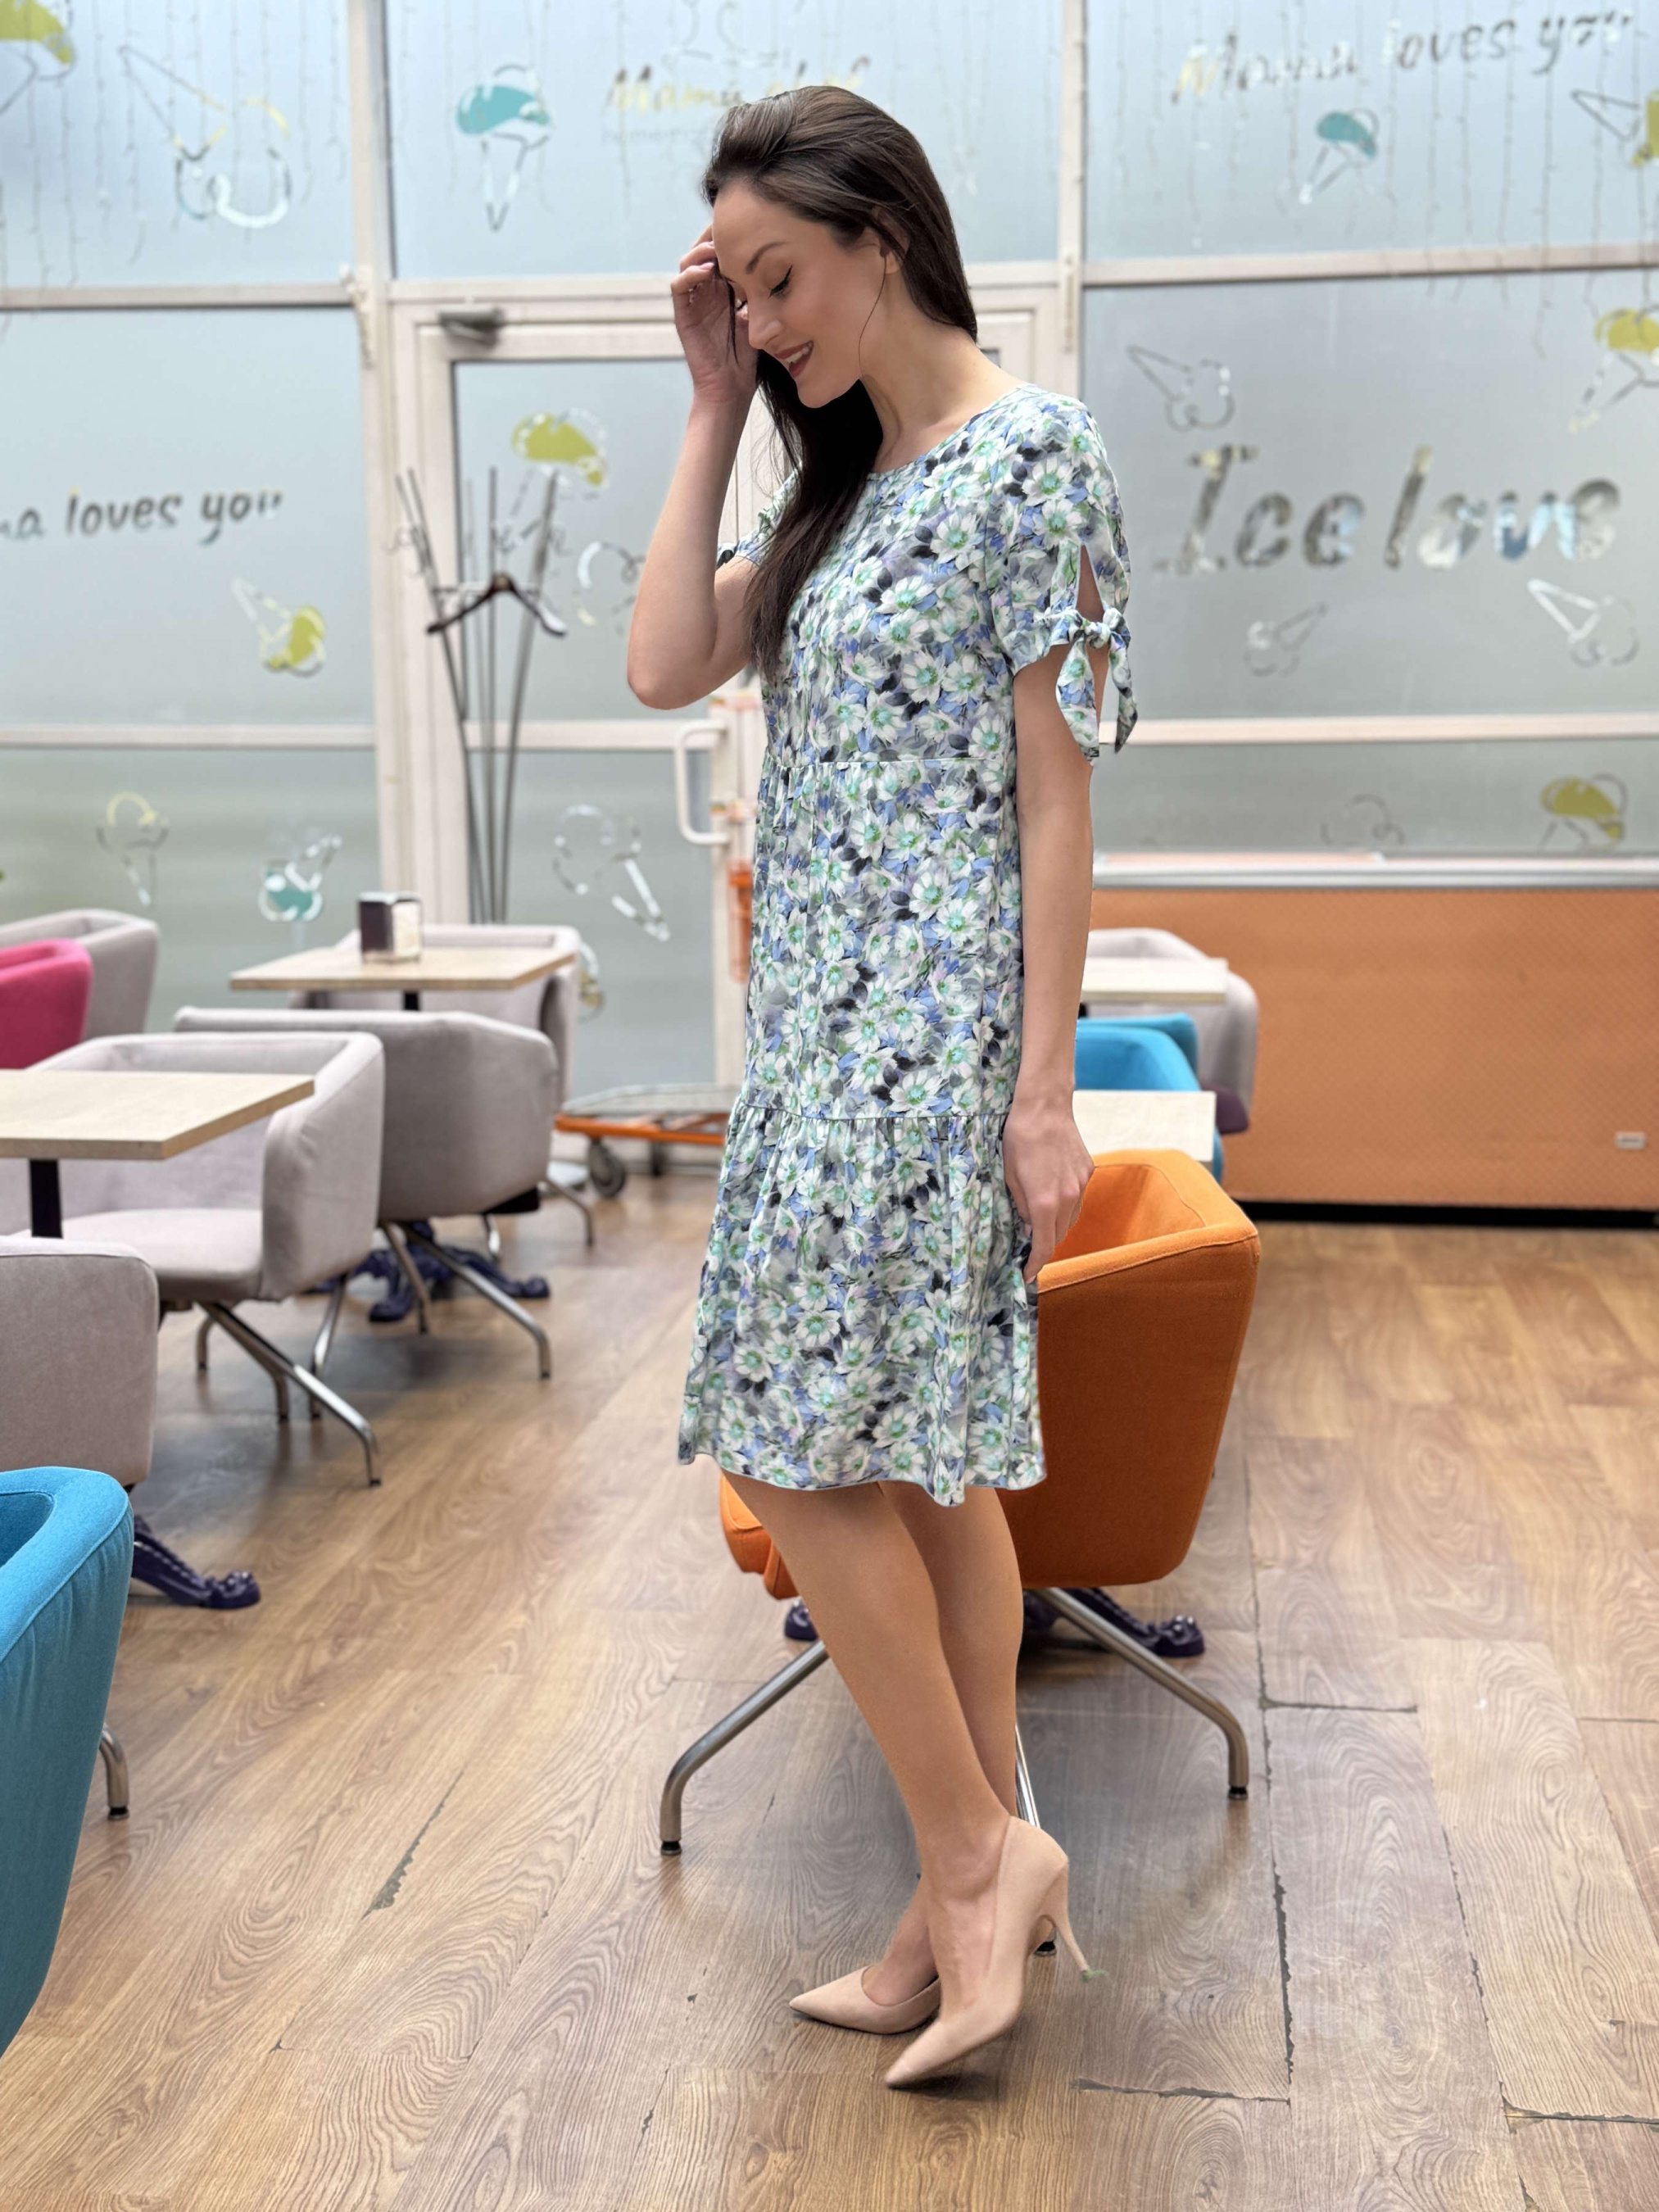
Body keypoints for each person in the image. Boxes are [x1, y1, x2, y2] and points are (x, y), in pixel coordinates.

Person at [627, 84, 1135, 2088]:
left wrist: (1040, 1088)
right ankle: (956, 1904)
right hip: (813, 1043)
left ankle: (974, 1853)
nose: (765, 322)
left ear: (881, 237)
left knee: (790, 1445)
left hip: (928, 1045)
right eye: (739, 296)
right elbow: (663, 663)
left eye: (780, 283)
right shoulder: (834, 488)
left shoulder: (1031, 455)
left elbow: (1056, 797)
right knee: (922, 1471)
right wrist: (708, 406)